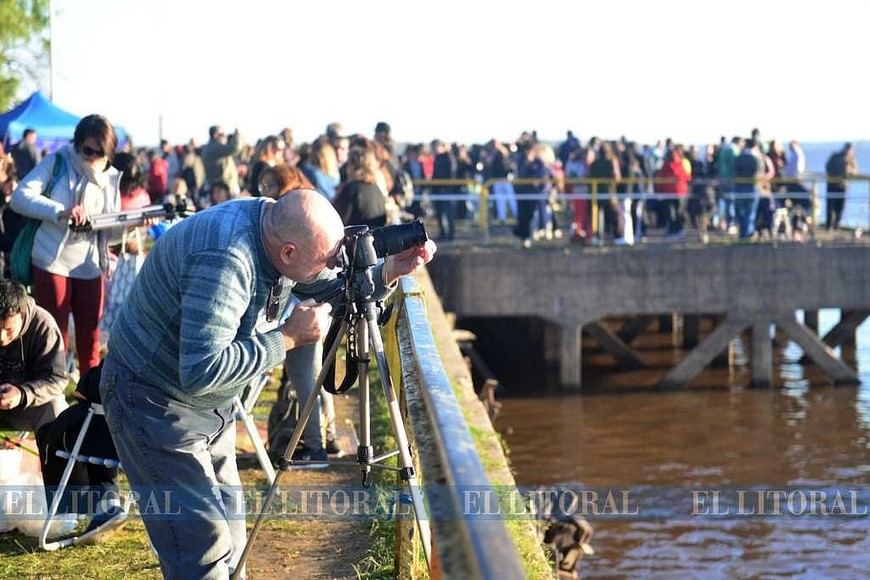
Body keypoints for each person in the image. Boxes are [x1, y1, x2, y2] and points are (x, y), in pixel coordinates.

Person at [99, 189, 436, 578]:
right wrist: (288, 338)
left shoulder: (273, 227)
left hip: (208, 404)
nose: (332, 264)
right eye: (327, 257)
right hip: (154, 399)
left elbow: (325, 284)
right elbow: (202, 368)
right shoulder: (226, 260)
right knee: (201, 544)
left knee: (231, 530)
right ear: (288, 253)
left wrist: (389, 270)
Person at [10, 114, 123, 378]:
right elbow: (20, 197)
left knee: (91, 338)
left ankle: (89, 397)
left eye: (101, 152)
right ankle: (52, 398)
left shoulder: (111, 177)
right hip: (52, 261)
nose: (94, 157)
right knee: (54, 337)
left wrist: (132, 226)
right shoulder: (58, 161)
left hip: (90, 264)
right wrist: (60, 211)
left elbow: (111, 232)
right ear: (77, 143)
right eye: (88, 150)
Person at [0, 279, 68, 432]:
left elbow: (57, 379)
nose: (2, 337)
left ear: (22, 315)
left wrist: (23, 394)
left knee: (56, 408)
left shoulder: (44, 326)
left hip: (25, 406)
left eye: (9, 329)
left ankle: (54, 454)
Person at [825, 142, 858, 230]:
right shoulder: (835, 156)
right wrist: (835, 176)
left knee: (840, 207)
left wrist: (850, 170)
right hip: (832, 185)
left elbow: (855, 172)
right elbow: (828, 167)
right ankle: (828, 226)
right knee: (830, 207)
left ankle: (836, 225)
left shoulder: (851, 159)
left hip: (842, 186)